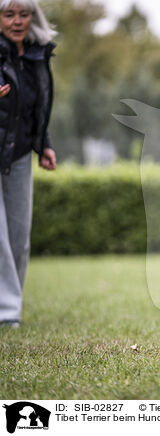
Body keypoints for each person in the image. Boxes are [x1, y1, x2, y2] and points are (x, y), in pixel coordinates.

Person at [0, 0, 57, 328]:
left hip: (20, 152)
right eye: (9, 14)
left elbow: (37, 108)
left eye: (24, 14)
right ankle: (8, 313)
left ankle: (10, 301)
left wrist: (44, 145)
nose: (18, 21)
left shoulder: (36, 54)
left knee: (20, 237)